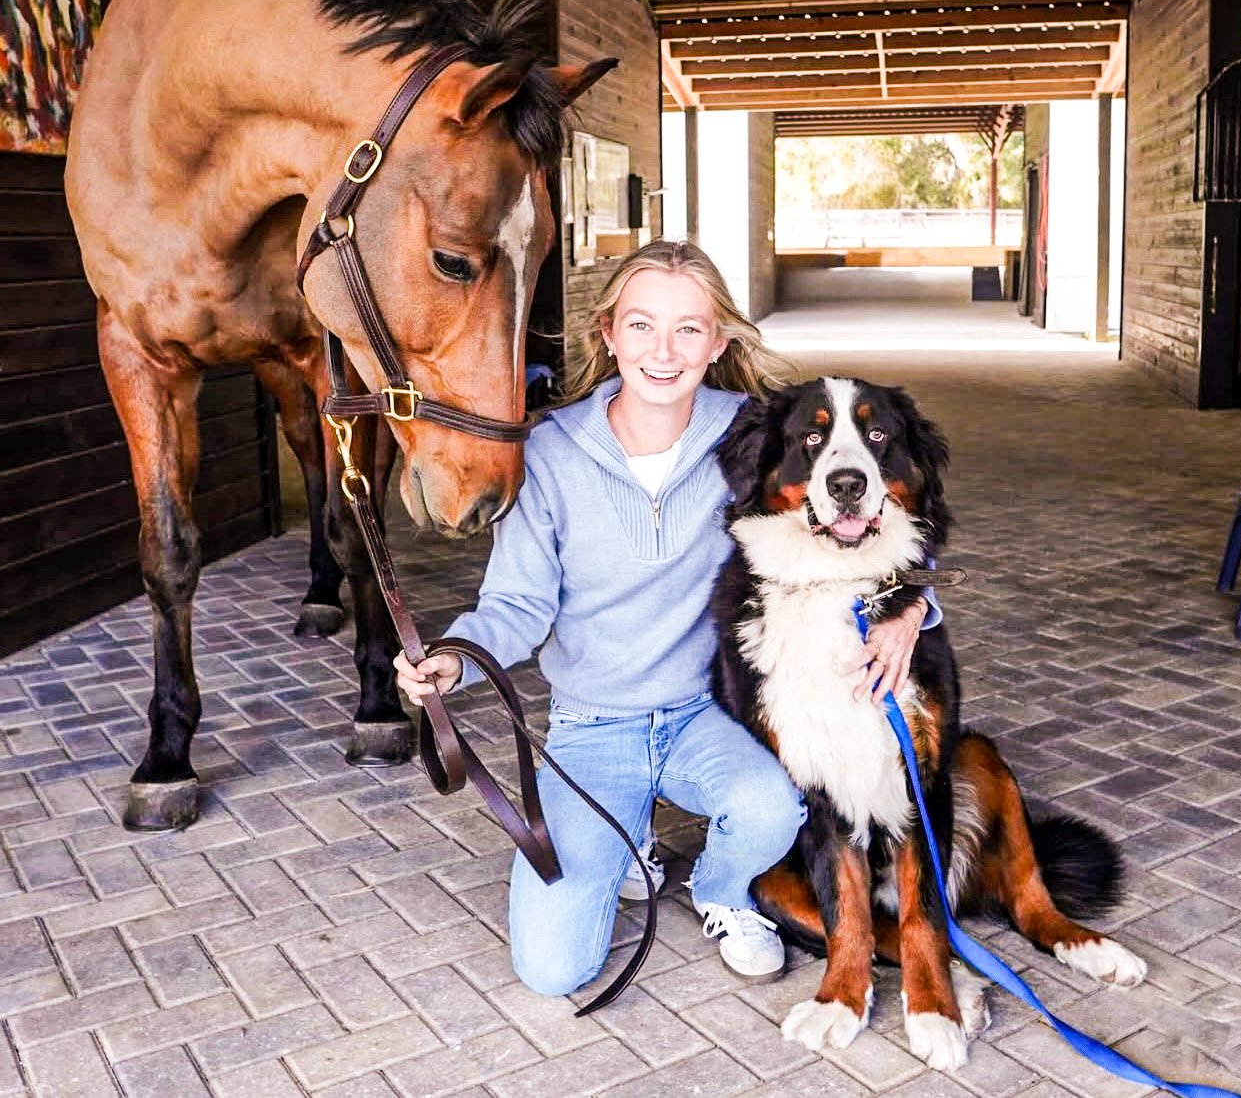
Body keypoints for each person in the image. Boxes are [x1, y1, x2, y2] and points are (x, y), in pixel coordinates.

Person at [394, 239, 933, 997]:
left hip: (701, 713)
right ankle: (628, 838)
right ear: (607, 332)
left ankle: (719, 887)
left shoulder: (752, 435)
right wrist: (456, 653)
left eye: (689, 329)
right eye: (642, 325)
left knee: (771, 807)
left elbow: (860, 524)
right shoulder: (549, 452)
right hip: (591, 726)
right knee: (554, 970)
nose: (663, 350)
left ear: (717, 342)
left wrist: (914, 609)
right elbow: (517, 603)